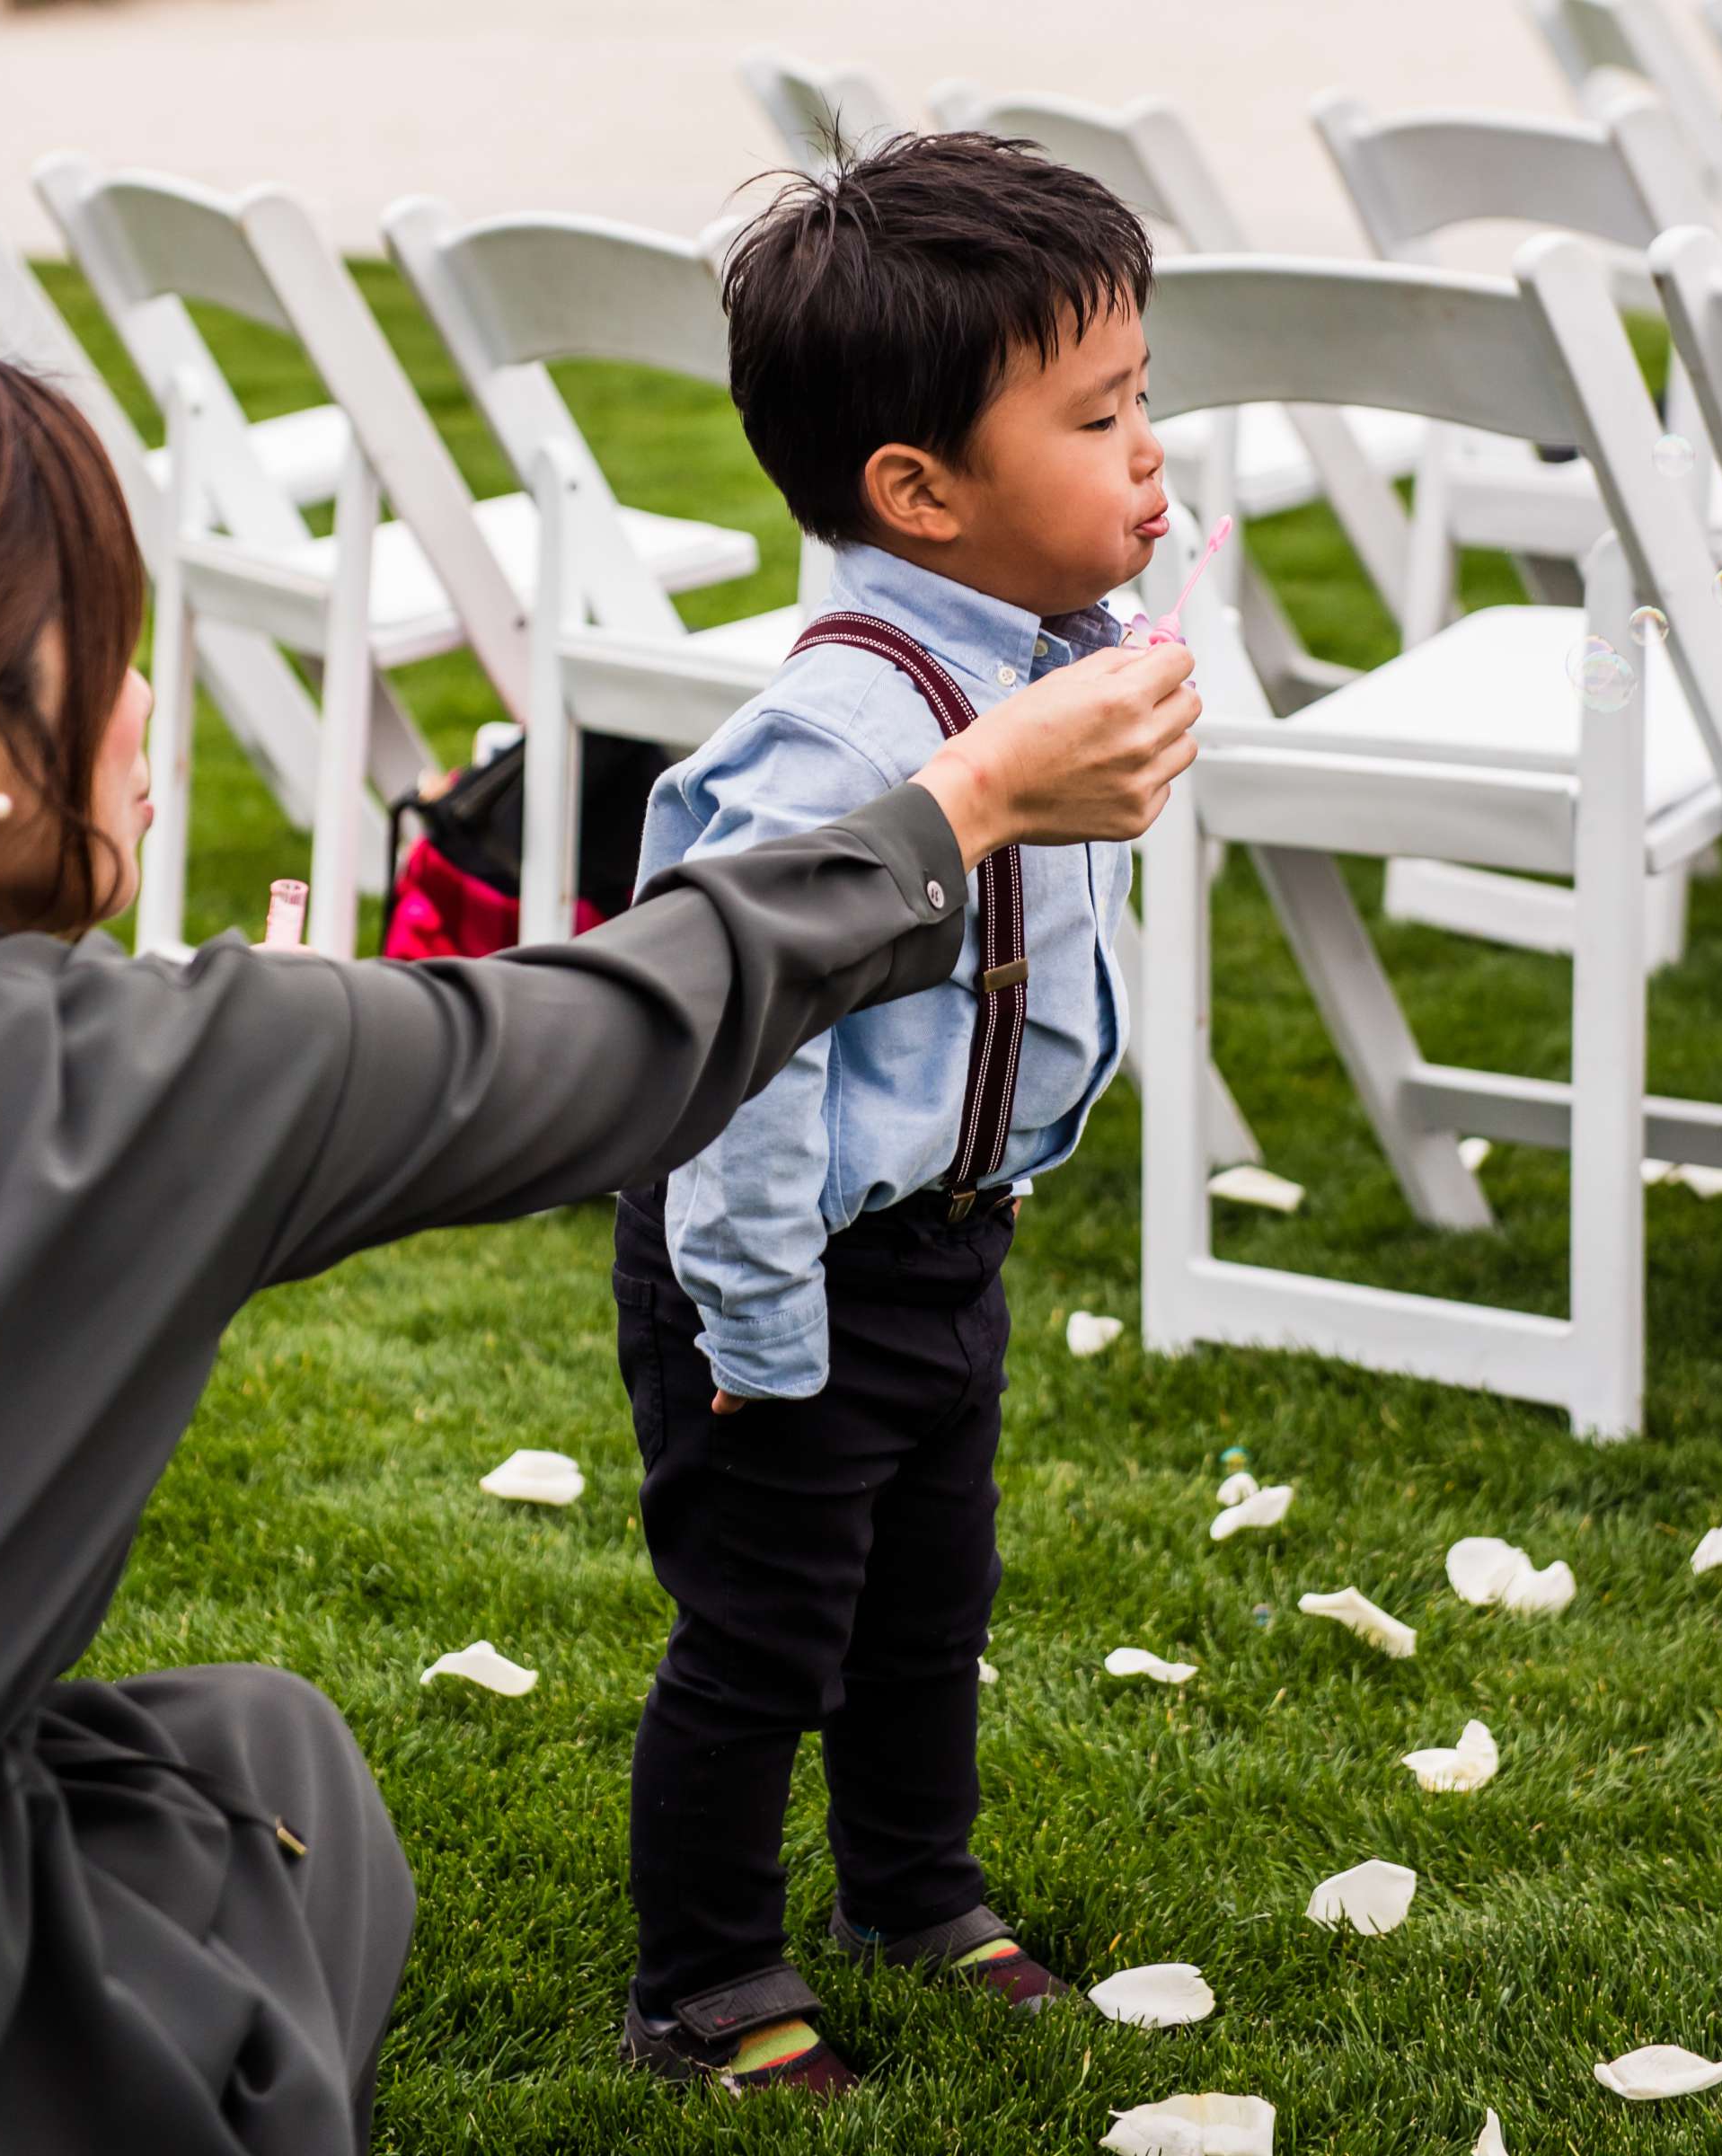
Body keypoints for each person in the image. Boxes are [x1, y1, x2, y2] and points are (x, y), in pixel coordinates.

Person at [0, 328, 1200, 2155]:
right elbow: (619, 1037)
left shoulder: (127, 1076)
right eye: (115, 652)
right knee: (302, 1784)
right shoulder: (114, 1080)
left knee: (231, 1745)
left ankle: (902, 1888)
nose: (144, 710)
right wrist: (968, 806)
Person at [610, 135, 1179, 2092]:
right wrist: (756, 1331)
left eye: (1143, 401)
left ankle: (911, 1890)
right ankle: (705, 1984)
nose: (1148, 455)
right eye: (1099, 417)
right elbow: (744, 1058)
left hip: (945, 1244)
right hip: (781, 1272)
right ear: (919, 493)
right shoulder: (841, 743)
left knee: (932, 1604)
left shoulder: (1049, 666)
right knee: (767, 1635)